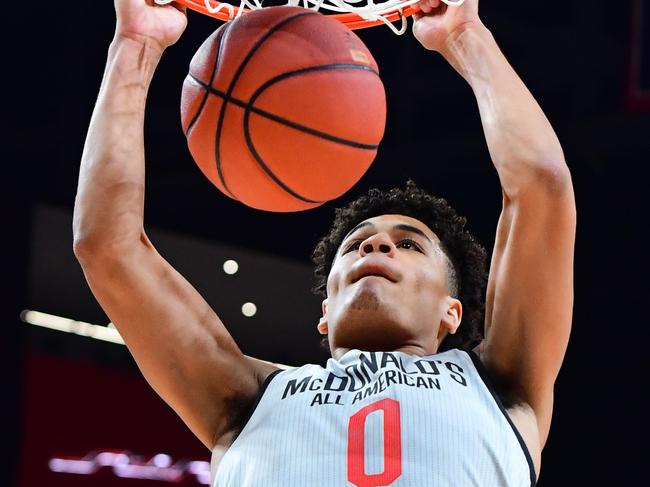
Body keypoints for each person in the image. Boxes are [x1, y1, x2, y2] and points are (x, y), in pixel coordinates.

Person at [73, 0, 576, 485]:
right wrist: (135, 46)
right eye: (358, 244)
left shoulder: (501, 386)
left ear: (452, 311)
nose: (376, 248)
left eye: (410, 244)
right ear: (325, 308)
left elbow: (541, 188)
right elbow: (106, 246)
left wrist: (466, 38)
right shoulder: (246, 398)